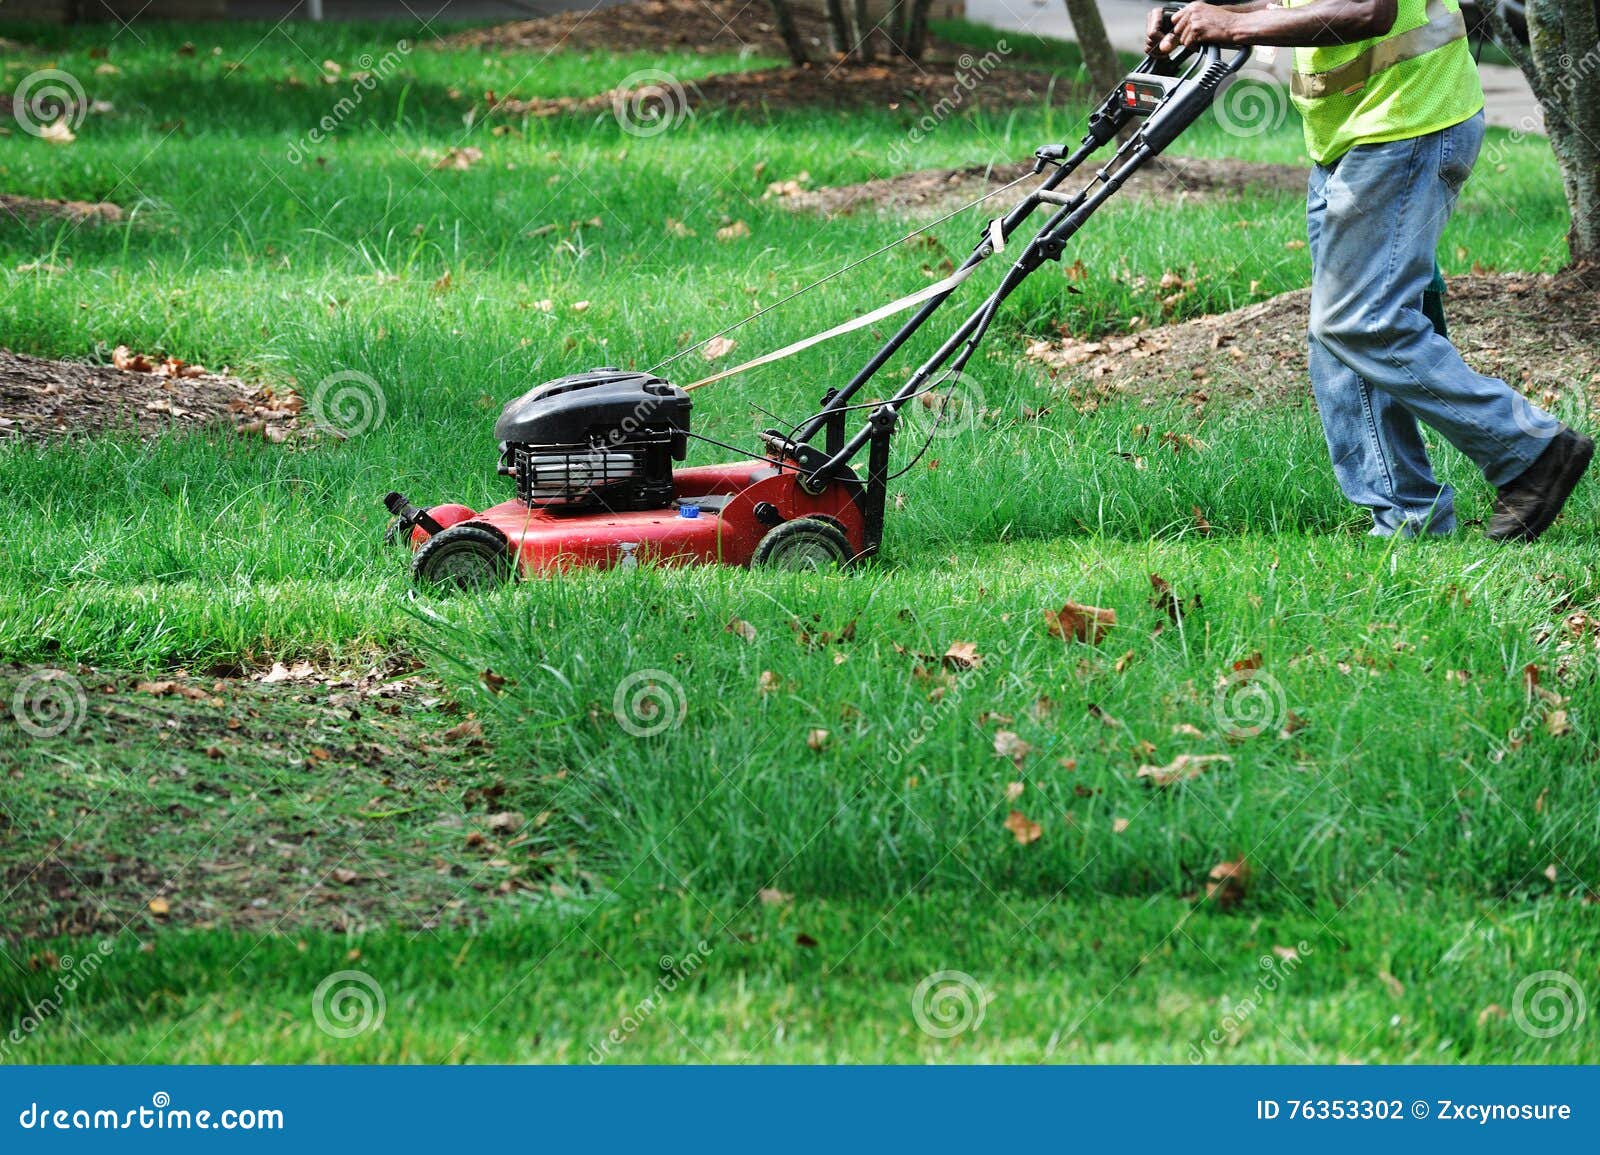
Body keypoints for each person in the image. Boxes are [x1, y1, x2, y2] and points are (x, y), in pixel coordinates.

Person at [1148, 0, 1592, 541]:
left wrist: (1235, 25)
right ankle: (1407, 520)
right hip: (1354, 134)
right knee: (1340, 336)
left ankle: (1531, 450)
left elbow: (1371, 11)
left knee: (1360, 320)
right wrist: (1202, 15)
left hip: (1409, 121)